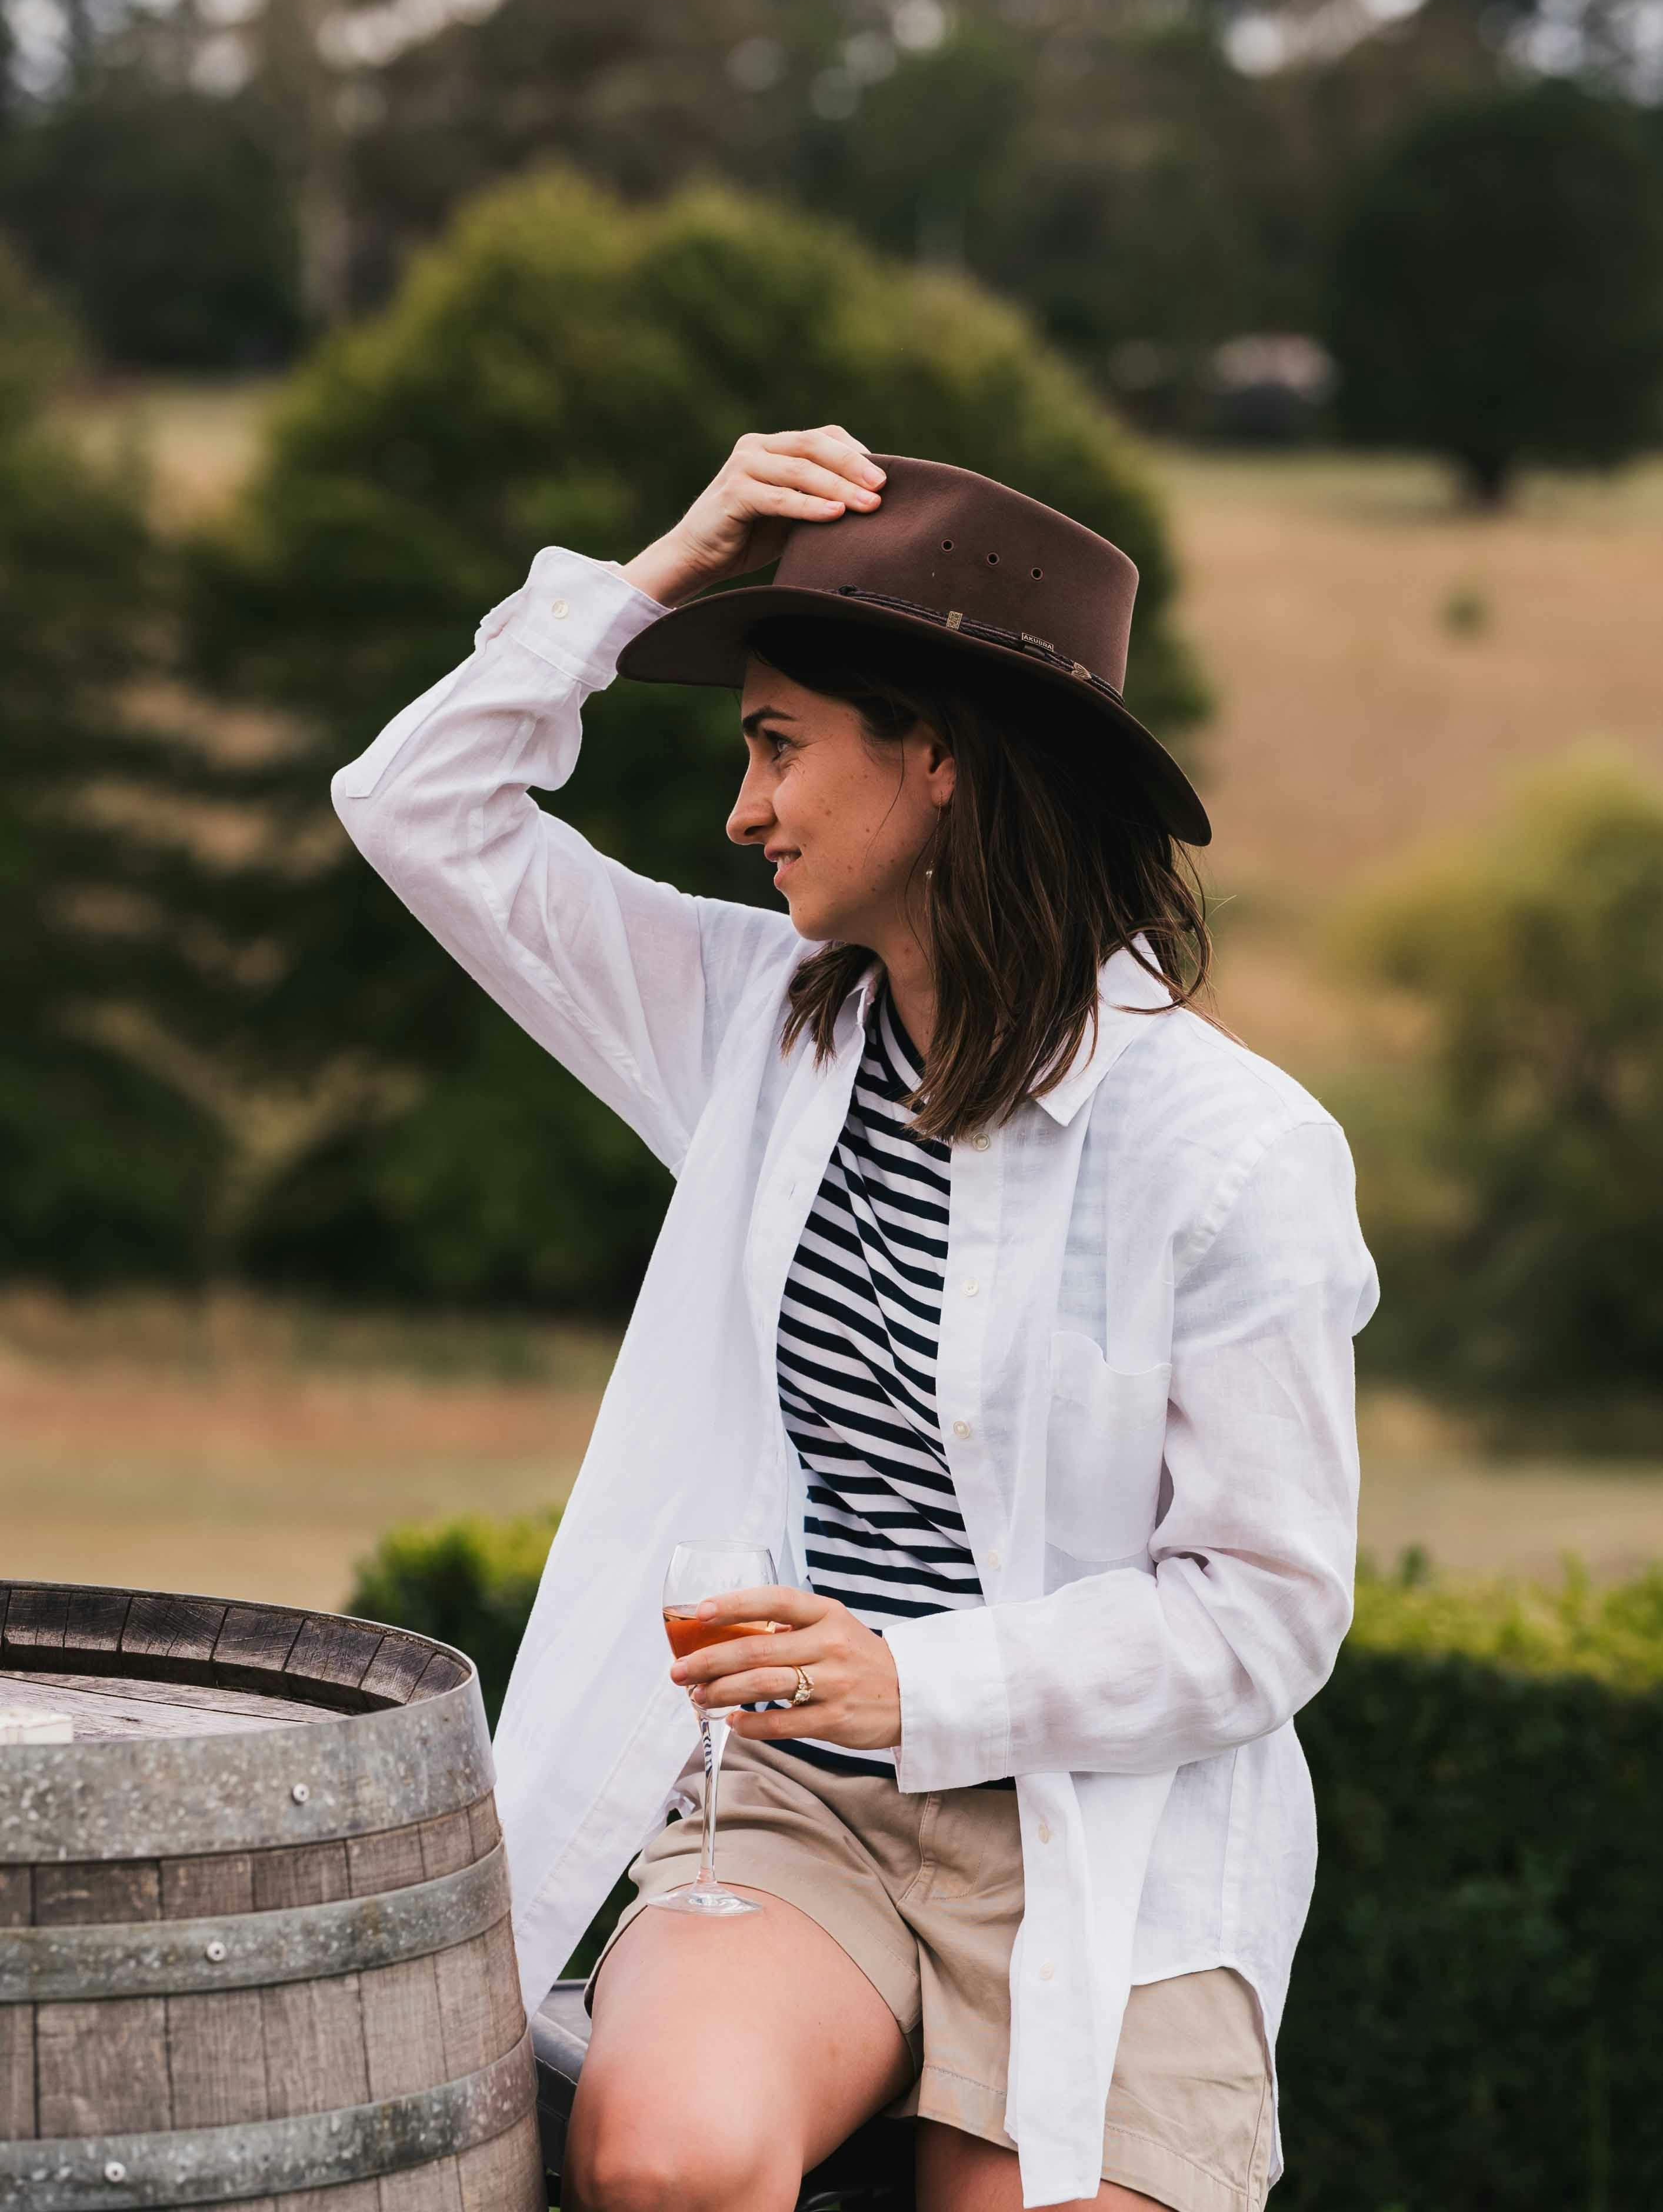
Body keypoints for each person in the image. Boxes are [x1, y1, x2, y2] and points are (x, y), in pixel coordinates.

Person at [333, 427, 1377, 2212]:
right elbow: (416, 807)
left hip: (1107, 1838)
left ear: (943, 760)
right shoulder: (751, 1024)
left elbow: (1265, 1614)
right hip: (800, 1807)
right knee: (665, 2158)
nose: (742, 812)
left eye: (774, 745)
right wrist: (663, 561)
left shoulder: (1233, 1154)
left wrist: (918, 1678)